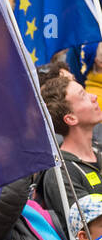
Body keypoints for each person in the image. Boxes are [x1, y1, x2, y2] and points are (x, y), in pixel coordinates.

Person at [40, 75, 102, 230]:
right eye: (83, 95)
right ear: (71, 118)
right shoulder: (61, 174)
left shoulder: (98, 149)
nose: (93, 97)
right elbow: (94, 230)